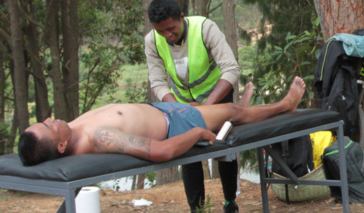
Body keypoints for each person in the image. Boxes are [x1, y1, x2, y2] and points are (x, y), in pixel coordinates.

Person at [18, 78, 304, 166]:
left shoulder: (71, 129)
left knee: (215, 108)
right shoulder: (101, 137)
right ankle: (285, 104)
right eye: (47, 126)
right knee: (229, 110)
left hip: (159, 110)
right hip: (173, 124)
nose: (48, 119)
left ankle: (242, 110)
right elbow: (161, 151)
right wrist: (196, 133)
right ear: (62, 145)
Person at [145, 0, 244, 213]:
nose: (167, 35)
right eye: (161, 31)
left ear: (181, 18)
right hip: (182, 104)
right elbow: (157, 82)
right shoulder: (152, 41)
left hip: (217, 97)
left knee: (223, 149)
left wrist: (207, 108)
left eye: (172, 28)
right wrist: (179, 111)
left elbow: (231, 69)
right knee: (187, 154)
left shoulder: (205, 28)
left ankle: (230, 202)